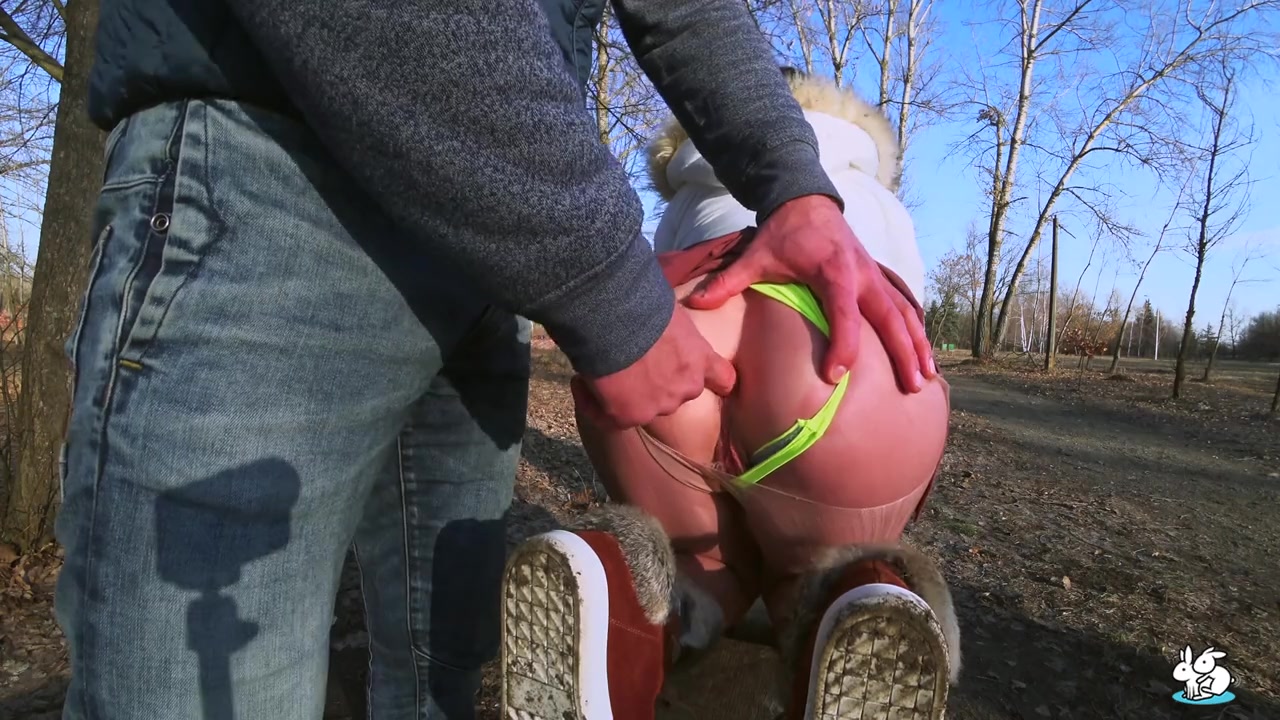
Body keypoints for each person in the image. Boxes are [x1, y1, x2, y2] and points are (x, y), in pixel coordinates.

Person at [55, 2, 933, 719]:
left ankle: (634, 615)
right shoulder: (872, 195)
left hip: (457, 223)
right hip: (841, 344)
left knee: (620, 601)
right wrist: (793, 191)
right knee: (422, 658)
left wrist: (624, 272)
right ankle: (842, 594)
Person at [501, 69, 959, 720]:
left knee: (700, 559)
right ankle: (853, 595)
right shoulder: (877, 196)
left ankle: (620, 598)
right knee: (824, 564)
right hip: (839, 368)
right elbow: (905, 312)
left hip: (685, 344)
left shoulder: (688, 185)